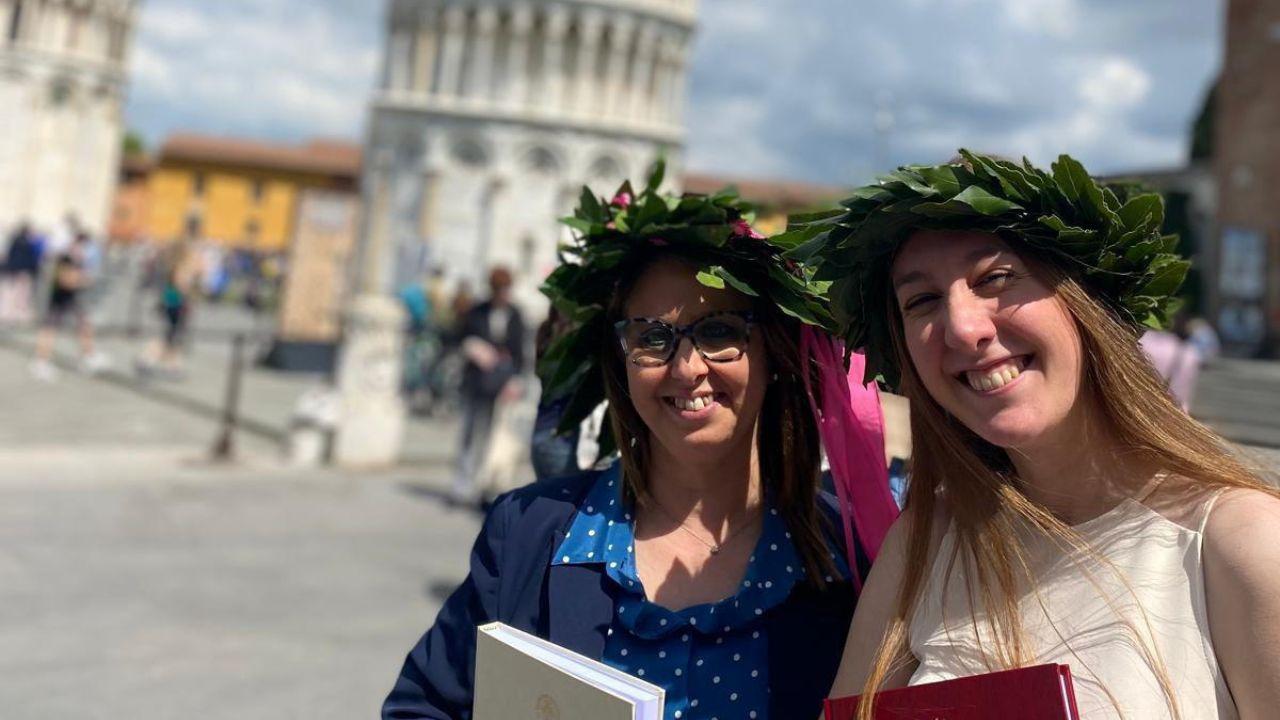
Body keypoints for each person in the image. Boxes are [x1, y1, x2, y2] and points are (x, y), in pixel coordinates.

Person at [383, 167, 897, 719]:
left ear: (773, 355)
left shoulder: (847, 559)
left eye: (720, 330)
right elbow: (424, 708)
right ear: (622, 362)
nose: (686, 367)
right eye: (652, 338)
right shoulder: (531, 531)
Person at [799, 151, 1280, 719]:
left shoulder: (1238, 543)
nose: (962, 326)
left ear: (1084, 303)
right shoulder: (926, 543)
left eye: (996, 278)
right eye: (923, 300)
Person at [450, 266, 527, 505]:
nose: (503, 294)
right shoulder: (477, 311)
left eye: (505, 290)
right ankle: (462, 486)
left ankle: (487, 486)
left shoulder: (515, 315)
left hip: (502, 385)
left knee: (495, 436)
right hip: (476, 382)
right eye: (499, 290)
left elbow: (520, 353)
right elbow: (458, 337)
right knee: (470, 432)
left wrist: (515, 380)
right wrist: (473, 347)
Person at [30, 232, 106, 380]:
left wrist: (81, 278)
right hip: (60, 300)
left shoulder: (72, 260)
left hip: (69, 300)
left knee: (84, 326)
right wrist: (83, 281)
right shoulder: (66, 259)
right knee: (49, 331)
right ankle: (40, 362)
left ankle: (88, 356)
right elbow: (66, 281)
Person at [0, 222, 42, 326]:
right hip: (21, 272)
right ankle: (11, 316)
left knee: (11, 293)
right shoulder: (27, 243)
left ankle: (7, 315)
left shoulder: (15, 241)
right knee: (18, 294)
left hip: (12, 270)